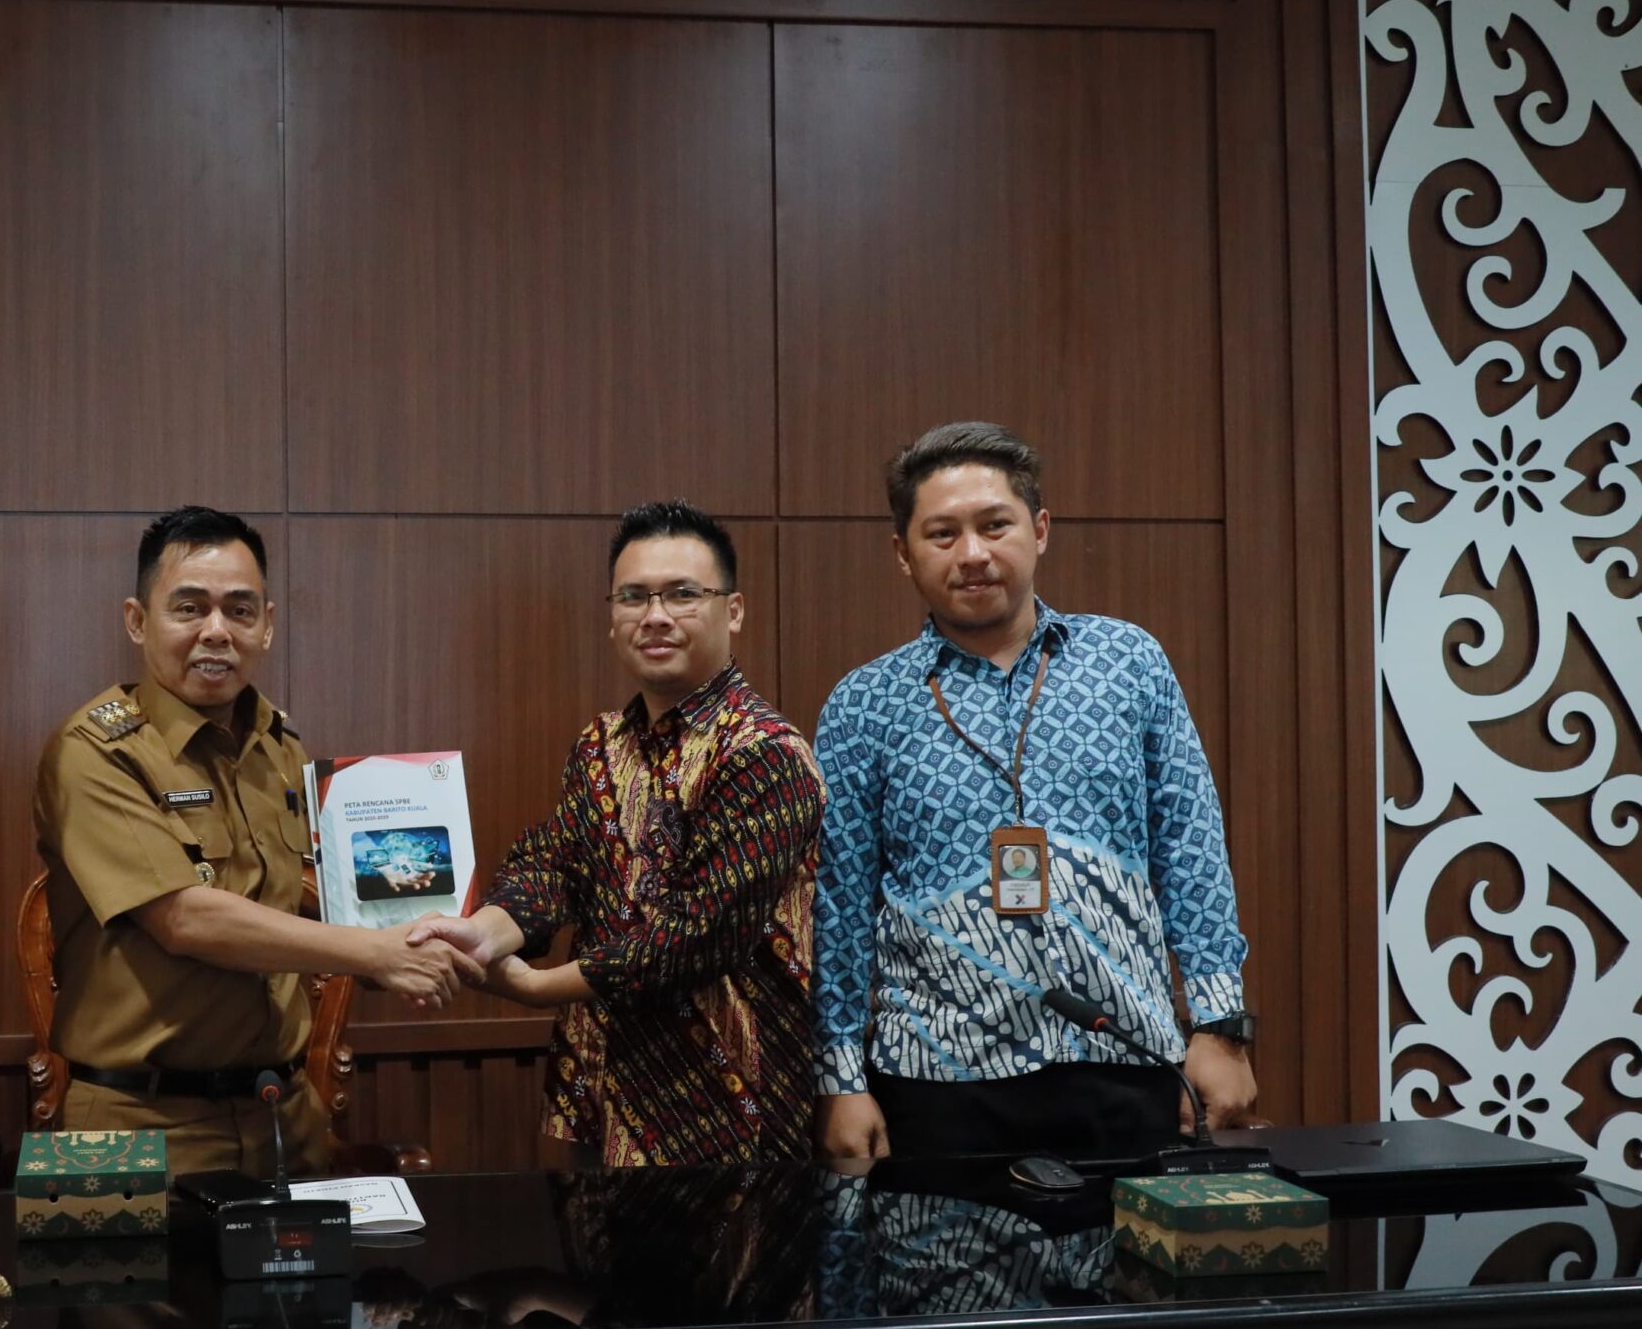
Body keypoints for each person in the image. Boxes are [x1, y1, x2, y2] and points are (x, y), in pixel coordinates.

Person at [812, 422, 1260, 1160]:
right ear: (903, 553)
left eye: (995, 525)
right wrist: (839, 1079)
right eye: (943, 534)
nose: (973, 553)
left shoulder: (1128, 663)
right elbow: (838, 904)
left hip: (1125, 1061)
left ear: (1040, 529)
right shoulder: (865, 704)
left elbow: (1191, 846)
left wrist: (1220, 1026)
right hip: (937, 1078)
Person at [32, 506, 482, 1177]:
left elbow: (304, 901)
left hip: (283, 1114)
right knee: (124, 1262)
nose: (216, 631)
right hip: (135, 1121)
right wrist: (373, 950)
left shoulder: (279, 747)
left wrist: (409, 938)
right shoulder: (94, 750)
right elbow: (185, 918)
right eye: (190, 608)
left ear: (266, 625)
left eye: (239, 611)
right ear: (137, 620)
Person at [407, 502, 827, 1166]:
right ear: (612, 616)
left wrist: (536, 987)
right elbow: (556, 867)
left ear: (733, 610)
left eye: (682, 594)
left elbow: (698, 933)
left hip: (727, 1105)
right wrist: (483, 933)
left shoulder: (764, 753)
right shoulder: (600, 743)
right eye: (633, 596)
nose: (654, 615)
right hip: (596, 1089)